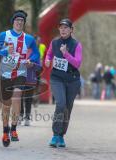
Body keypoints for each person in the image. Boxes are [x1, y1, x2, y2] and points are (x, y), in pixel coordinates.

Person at [0, 10, 40, 147]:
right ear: (13, 22)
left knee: (17, 97)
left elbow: (36, 54)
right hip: (6, 73)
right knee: (6, 105)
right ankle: (5, 131)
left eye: (22, 21)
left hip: (20, 72)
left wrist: (31, 60)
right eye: (17, 20)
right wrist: (4, 51)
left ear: (24, 23)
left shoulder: (29, 39)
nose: (19, 23)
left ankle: (14, 129)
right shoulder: (4, 35)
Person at [45, 18, 82, 147]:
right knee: (60, 103)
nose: (63, 29)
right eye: (61, 27)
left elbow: (77, 63)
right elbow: (49, 54)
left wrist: (66, 54)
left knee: (67, 108)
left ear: (71, 30)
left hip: (72, 80)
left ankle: (61, 136)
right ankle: (55, 134)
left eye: (66, 27)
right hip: (57, 78)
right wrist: (47, 60)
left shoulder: (76, 45)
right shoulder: (54, 42)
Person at [19, 35, 45, 126]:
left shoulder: (35, 52)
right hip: (19, 77)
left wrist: (32, 64)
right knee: (20, 97)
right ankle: (20, 115)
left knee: (28, 98)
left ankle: (27, 118)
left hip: (30, 76)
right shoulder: (18, 50)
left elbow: (39, 66)